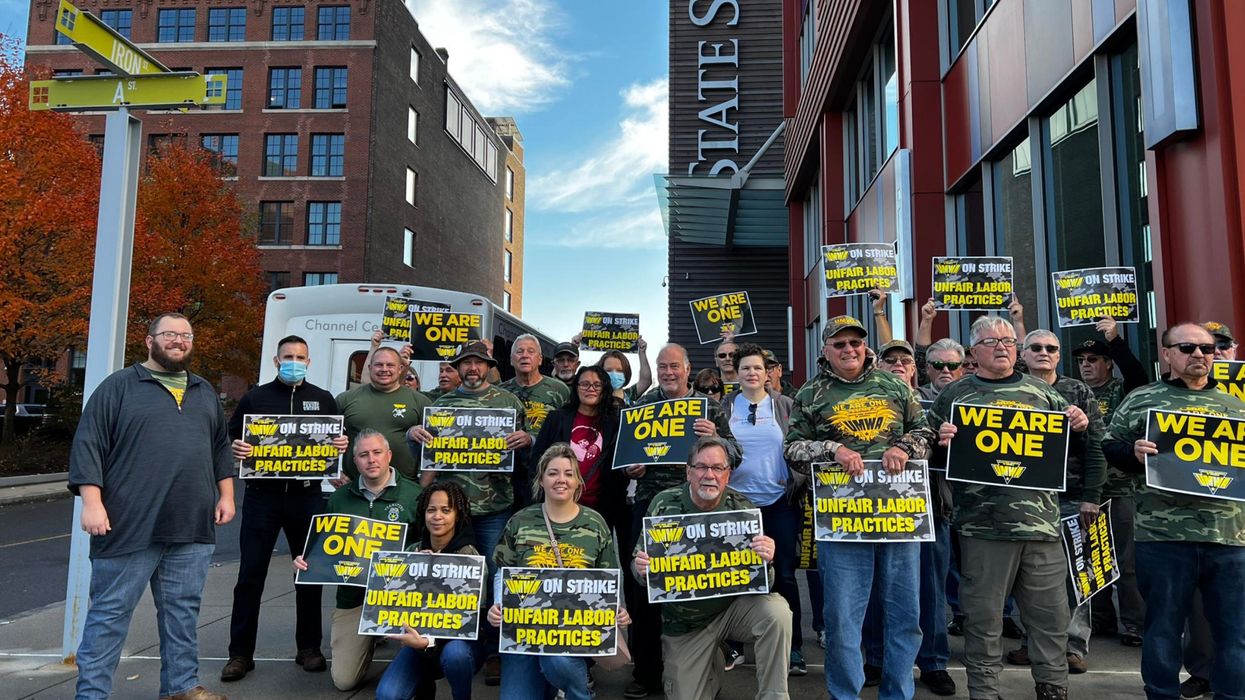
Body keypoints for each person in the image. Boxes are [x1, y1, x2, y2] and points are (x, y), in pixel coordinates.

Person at [930, 315, 1099, 700]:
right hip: (983, 528)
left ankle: (1053, 686)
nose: (1003, 347)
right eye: (992, 342)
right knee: (983, 619)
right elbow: (925, 444)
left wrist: (1081, 422)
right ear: (974, 352)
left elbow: (1082, 442)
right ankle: (985, 691)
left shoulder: (1042, 392)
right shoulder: (955, 395)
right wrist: (940, 438)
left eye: (1008, 340)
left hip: (1041, 527)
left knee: (1050, 618)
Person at [69, 313, 234, 700]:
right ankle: (90, 695)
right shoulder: (119, 387)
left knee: (182, 614)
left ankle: (181, 688)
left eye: (186, 335)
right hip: (127, 524)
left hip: (191, 525)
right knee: (109, 616)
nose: (178, 340)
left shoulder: (203, 389)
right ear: (149, 341)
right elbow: (89, 444)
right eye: (170, 334)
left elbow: (219, 447)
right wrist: (91, 503)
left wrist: (226, 495)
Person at [784, 315, 936, 699]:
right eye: (840, 344)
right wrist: (832, 449)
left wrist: (904, 447)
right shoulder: (810, 393)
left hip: (900, 516)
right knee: (842, 619)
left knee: (904, 615)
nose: (849, 350)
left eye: (855, 342)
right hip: (843, 522)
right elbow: (792, 449)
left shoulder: (893, 384)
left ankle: (898, 692)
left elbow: (925, 432)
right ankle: (845, 694)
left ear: (865, 346)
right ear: (826, 350)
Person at [1101, 322, 1245, 700]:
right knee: (1162, 626)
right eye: (1187, 348)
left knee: (1233, 630)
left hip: (1229, 537)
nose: (1199, 355)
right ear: (1167, 355)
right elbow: (1110, 446)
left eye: (1207, 349)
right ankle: (1162, 694)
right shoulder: (1142, 399)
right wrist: (1132, 453)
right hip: (1162, 536)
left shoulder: (1238, 406)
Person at [221, 335, 349, 683]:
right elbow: (230, 438)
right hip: (263, 496)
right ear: (277, 361)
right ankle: (240, 654)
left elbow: (336, 444)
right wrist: (237, 448)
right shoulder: (255, 398)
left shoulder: (322, 400)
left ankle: (309, 648)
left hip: (307, 497)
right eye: (288, 356)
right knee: (250, 576)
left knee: (308, 575)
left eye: (301, 357)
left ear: (309, 362)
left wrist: (340, 445)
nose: (294, 361)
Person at [621, 343, 741, 698]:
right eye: (662, 366)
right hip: (650, 507)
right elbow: (627, 457)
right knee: (643, 587)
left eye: (674, 366)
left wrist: (714, 438)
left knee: (699, 584)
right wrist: (632, 467)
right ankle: (645, 672)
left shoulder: (709, 407)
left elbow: (735, 455)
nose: (668, 372)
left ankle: (705, 659)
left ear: (688, 369)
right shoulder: (643, 405)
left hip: (700, 509)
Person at [633, 436, 791, 700]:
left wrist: (768, 560)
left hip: (732, 610)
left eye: (718, 468)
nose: (709, 475)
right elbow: (639, 569)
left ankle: (774, 696)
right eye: (701, 467)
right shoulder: (664, 504)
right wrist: (641, 570)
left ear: (727, 475)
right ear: (688, 471)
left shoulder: (742, 508)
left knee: (777, 613)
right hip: (686, 624)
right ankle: (713, 660)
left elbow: (765, 582)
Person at [410, 340, 529, 685]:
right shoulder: (442, 404)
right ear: (458, 368)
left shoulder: (508, 402)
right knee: (447, 575)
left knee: (494, 576)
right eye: (466, 363)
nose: (472, 369)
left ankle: (493, 652)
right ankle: (448, 640)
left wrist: (526, 441)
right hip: (453, 510)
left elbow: (520, 457)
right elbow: (428, 458)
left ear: (489, 366)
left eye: (479, 363)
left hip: (494, 506)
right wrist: (413, 436)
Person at [488, 443, 628, 700]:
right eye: (553, 473)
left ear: (577, 481)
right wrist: (498, 604)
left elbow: (608, 579)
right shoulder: (520, 521)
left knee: (558, 662)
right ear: (541, 480)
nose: (560, 479)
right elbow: (503, 573)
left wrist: (617, 609)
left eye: (568, 473)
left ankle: (578, 692)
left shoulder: (595, 523)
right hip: (524, 633)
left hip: (574, 632)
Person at [1005, 330, 1107, 674]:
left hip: (1073, 497)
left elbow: (1097, 446)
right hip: (1024, 499)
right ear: (1023, 353)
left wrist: (1092, 497)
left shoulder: (1078, 391)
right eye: (1036, 347)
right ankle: (1031, 643)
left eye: (1051, 348)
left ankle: (1074, 646)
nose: (1044, 352)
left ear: (1059, 356)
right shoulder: (1010, 388)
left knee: (1078, 574)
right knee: (1028, 577)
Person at [293, 429, 423, 691]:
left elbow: (428, 543)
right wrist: (307, 561)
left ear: (389, 456)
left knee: (421, 663)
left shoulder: (415, 495)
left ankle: (389, 641)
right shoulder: (339, 498)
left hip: (401, 597)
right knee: (344, 681)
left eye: (376, 453)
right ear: (355, 461)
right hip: (353, 599)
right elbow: (323, 546)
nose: (371, 460)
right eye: (363, 455)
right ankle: (368, 638)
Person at [719, 343, 805, 675]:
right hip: (736, 505)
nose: (752, 373)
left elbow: (798, 444)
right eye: (745, 368)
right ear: (736, 374)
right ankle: (735, 646)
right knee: (737, 576)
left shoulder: (785, 405)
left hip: (779, 503)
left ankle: (793, 647)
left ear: (767, 373)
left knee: (784, 575)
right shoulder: (724, 407)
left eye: (758, 367)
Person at [1070, 318, 1150, 649]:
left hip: (1122, 489)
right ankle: (1102, 618)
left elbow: (1138, 376)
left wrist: (1115, 341)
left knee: (1127, 562)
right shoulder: (1076, 394)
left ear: (1106, 363)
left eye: (1093, 360)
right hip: (1087, 490)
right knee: (1091, 560)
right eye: (1082, 361)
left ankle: (1134, 623)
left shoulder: (1122, 389)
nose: (1086, 366)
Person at [375, 482, 481, 700]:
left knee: (456, 655)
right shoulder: (413, 551)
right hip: (416, 642)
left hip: (458, 643)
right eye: (431, 509)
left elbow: (470, 618)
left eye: (446, 510)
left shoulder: (471, 557)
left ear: (457, 515)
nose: (437, 516)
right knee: (387, 695)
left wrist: (430, 642)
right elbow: (388, 598)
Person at [531, 365, 626, 530]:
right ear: (576, 388)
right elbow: (536, 461)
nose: (591, 389)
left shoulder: (615, 424)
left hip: (599, 509)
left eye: (597, 385)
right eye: (585, 384)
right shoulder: (556, 419)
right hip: (557, 506)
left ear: (605, 389)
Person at [337, 346, 431, 481]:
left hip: (405, 487)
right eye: (379, 365)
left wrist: (423, 488)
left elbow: (435, 449)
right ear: (370, 368)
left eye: (390, 365)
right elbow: (324, 437)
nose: (384, 369)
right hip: (355, 486)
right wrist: (333, 473)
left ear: (400, 369)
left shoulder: (420, 401)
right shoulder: (346, 399)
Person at [597, 340, 653, 406]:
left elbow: (645, 381)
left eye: (619, 371)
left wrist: (642, 353)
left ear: (626, 372)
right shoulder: (594, 397)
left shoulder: (630, 394)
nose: (614, 375)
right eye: (609, 370)